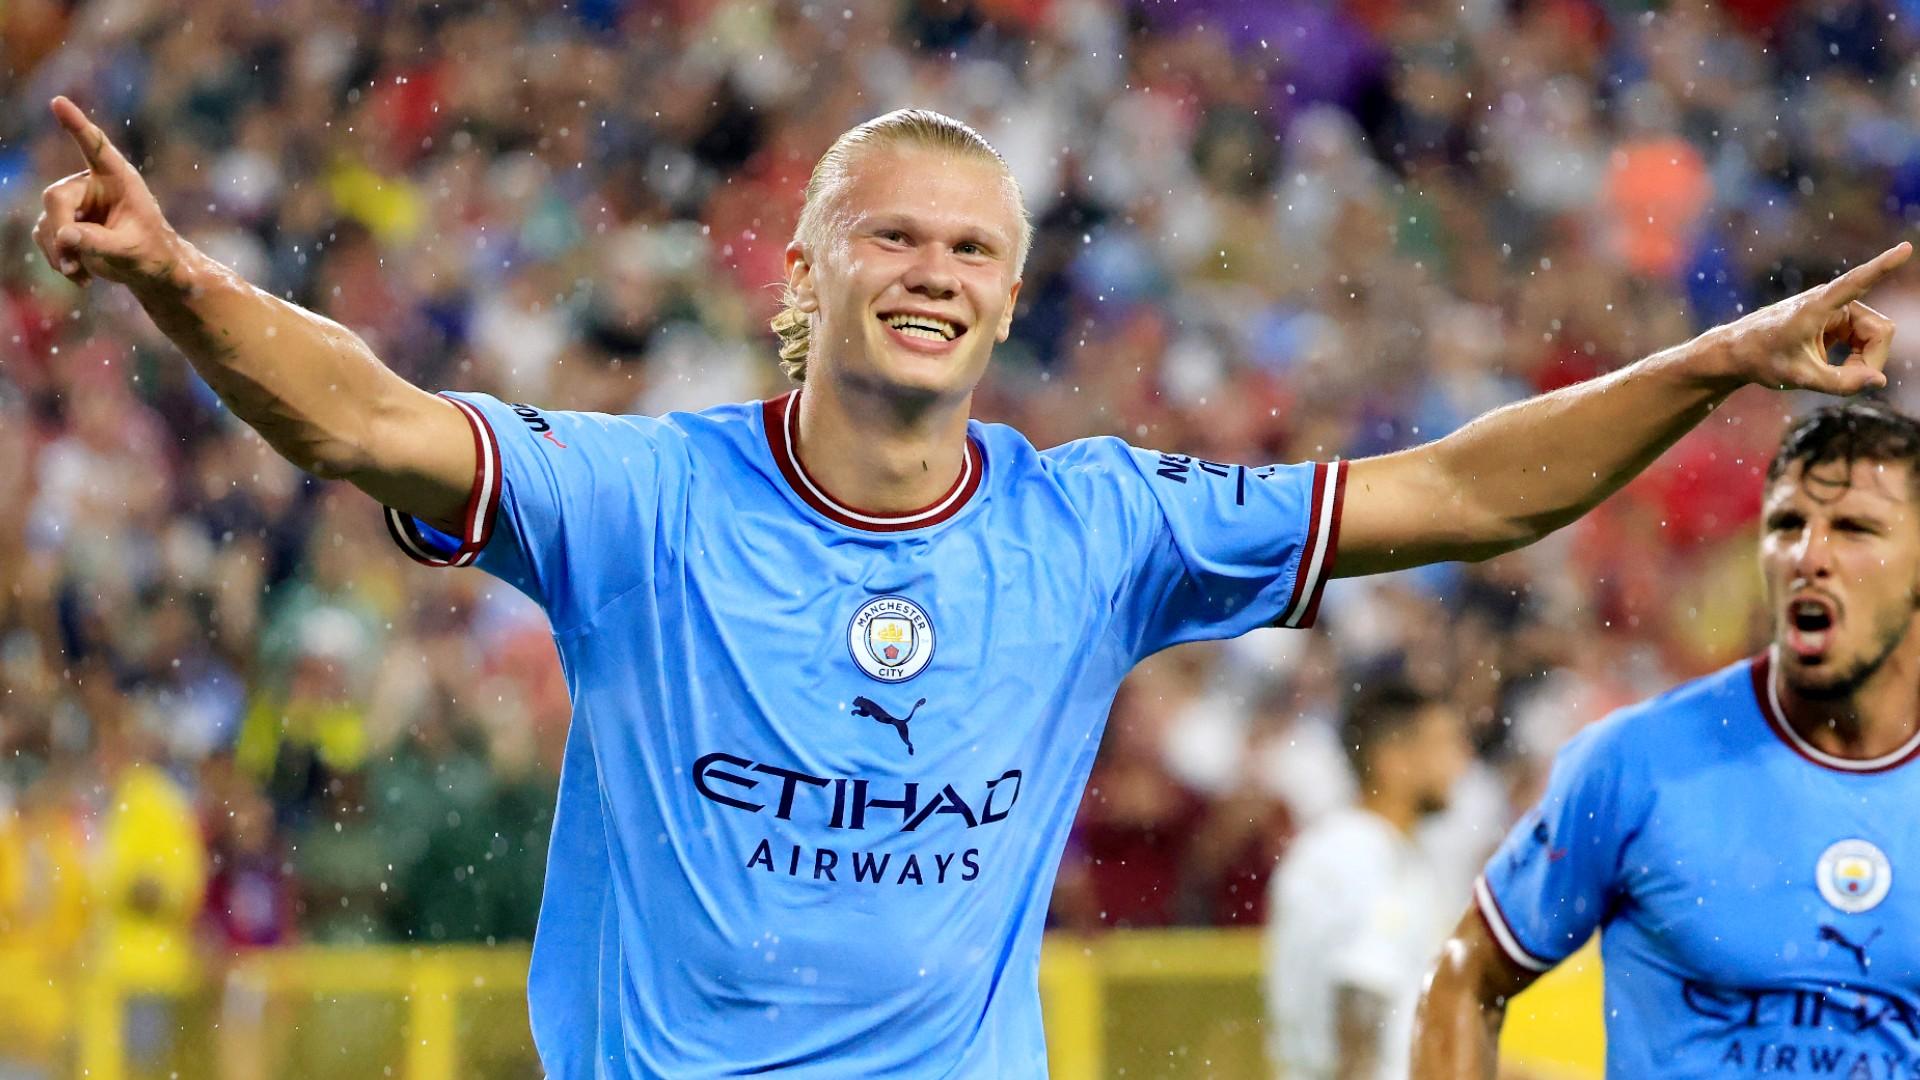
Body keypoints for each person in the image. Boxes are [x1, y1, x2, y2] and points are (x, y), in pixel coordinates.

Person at [30, 94, 1909, 1076]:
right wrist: (181, 281)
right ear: (811, 273)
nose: (935, 271)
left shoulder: (1098, 528)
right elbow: (367, 426)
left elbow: (1452, 496)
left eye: (975, 250)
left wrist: (1711, 361)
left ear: (1012, 298)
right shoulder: (645, 504)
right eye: (895, 239)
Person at [1413, 400, 1920, 1077]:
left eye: (1855, 528)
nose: (1809, 555)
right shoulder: (1637, 764)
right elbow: (1465, 977)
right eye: (1787, 524)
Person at [1266, 678, 1471, 1080]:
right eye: (1445, 744)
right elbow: (1361, 996)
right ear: (1392, 760)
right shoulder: (1366, 855)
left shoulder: (1350, 848)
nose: (1461, 761)